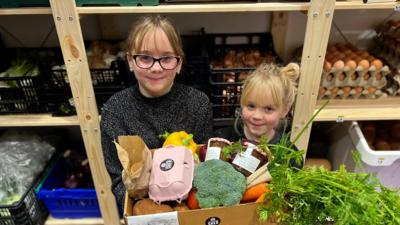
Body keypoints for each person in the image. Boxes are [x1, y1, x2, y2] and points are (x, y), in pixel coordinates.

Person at [100, 15, 213, 208]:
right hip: (144, 206)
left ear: (179, 63)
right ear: (130, 61)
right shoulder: (115, 110)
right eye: (145, 58)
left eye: (167, 58)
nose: (156, 68)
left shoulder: (198, 104)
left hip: (187, 204)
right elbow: (119, 183)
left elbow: (204, 166)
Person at [214, 62, 302, 167]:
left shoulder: (289, 156)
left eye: (268, 109)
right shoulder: (221, 140)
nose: (257, 116)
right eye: (251, 106)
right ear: (242, 103)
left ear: (285, 111)